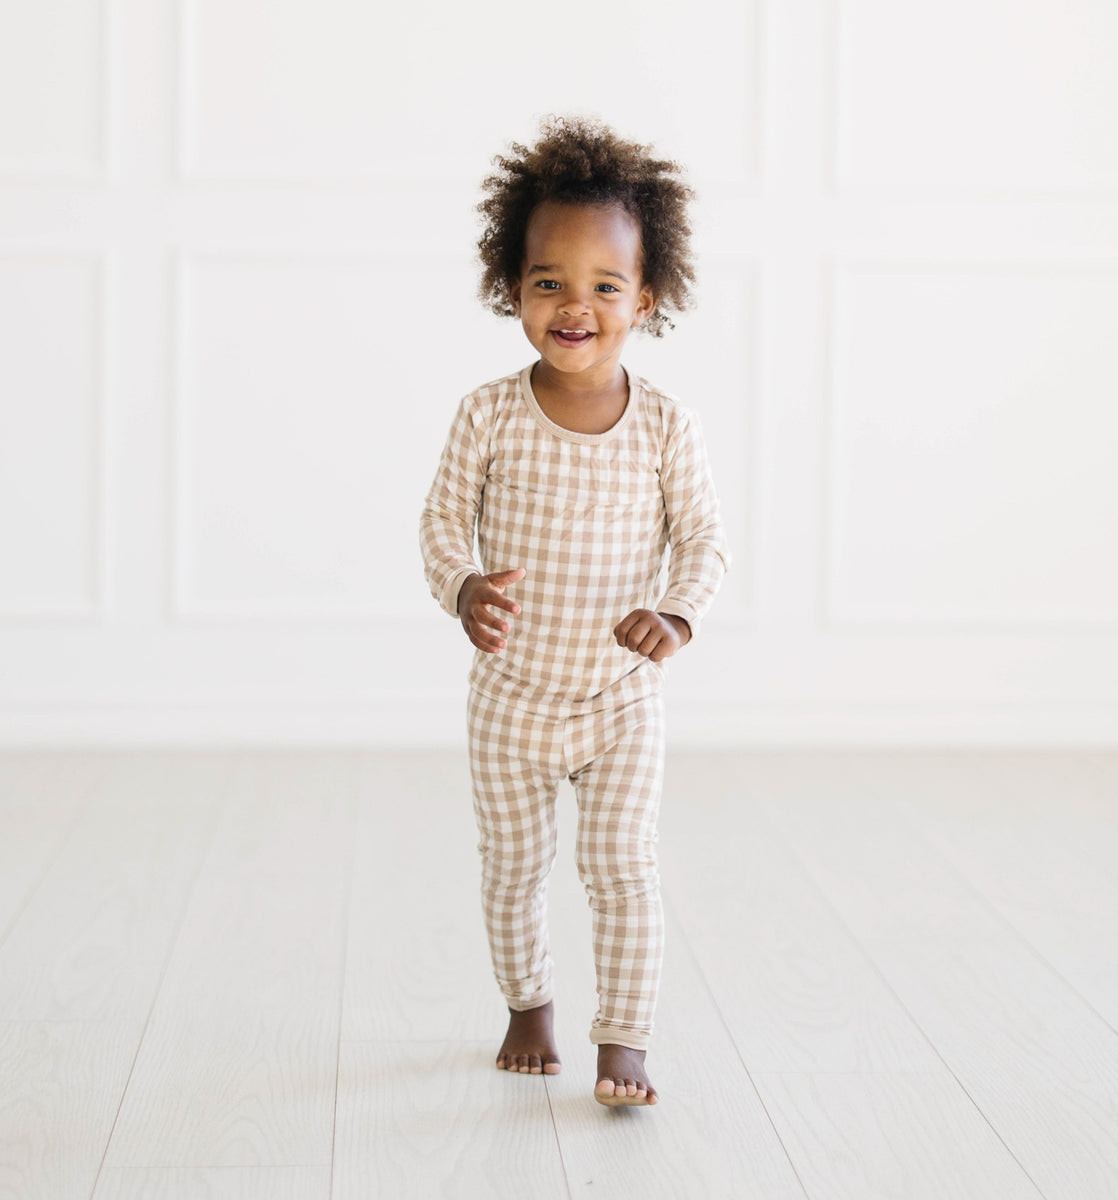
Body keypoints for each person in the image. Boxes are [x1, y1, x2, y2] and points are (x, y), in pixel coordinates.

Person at [419, 115, 729, 1107]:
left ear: (647, 297)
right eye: (549, 281)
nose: (575, 305)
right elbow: (440, 527)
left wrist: (674, 618)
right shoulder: (488, 413)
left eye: (605, 286)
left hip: (618, 699)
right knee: (512, 869)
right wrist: (464, 589)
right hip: (510, 698)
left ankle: (623, 1040)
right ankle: (526, 1008)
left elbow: (706, 544)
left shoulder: (666, 427)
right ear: (515, 288)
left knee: (620, 868)